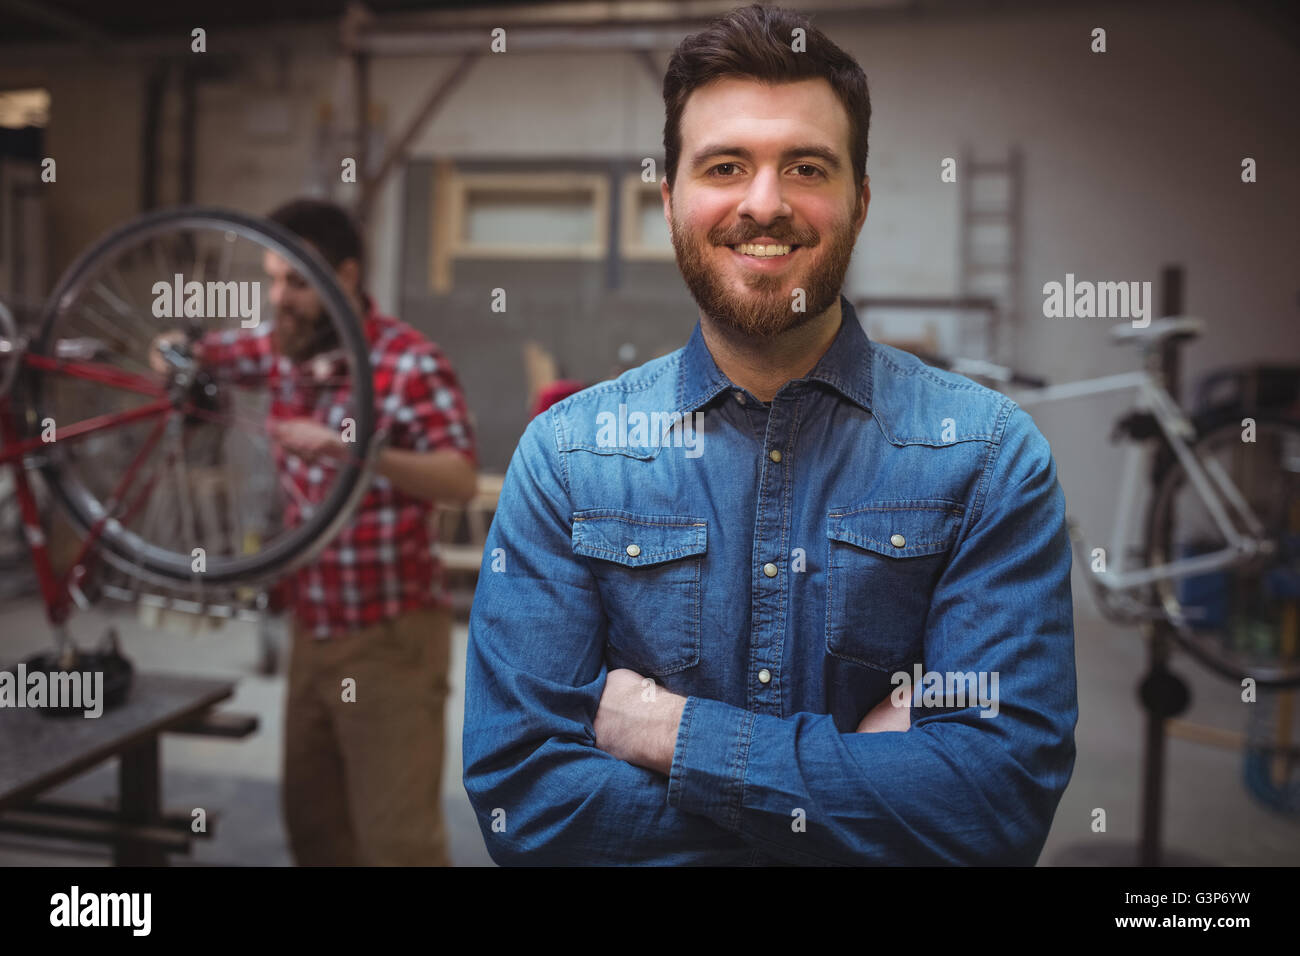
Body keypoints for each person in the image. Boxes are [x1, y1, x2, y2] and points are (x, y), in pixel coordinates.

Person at [462, 4, 1077, 865]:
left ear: (858, 203)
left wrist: (669, 735)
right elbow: (524, 807)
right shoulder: (568, 461)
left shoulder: (986, 458)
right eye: (725, 165)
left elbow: (994, 807)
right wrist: (870, 792)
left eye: (806, 167)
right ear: (671, 199)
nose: (764, 203)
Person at [151, 199, 477, 866]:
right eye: (272, 280)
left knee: (397, 845)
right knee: (317, 833)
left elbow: (458, 479)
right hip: (313, 629)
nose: (281, 299)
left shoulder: (408, 361)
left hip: (391, 638)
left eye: (297, 282)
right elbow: (197, 354)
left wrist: (352, 453)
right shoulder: (282, 348)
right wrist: (171, 352)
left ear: (346, 277)